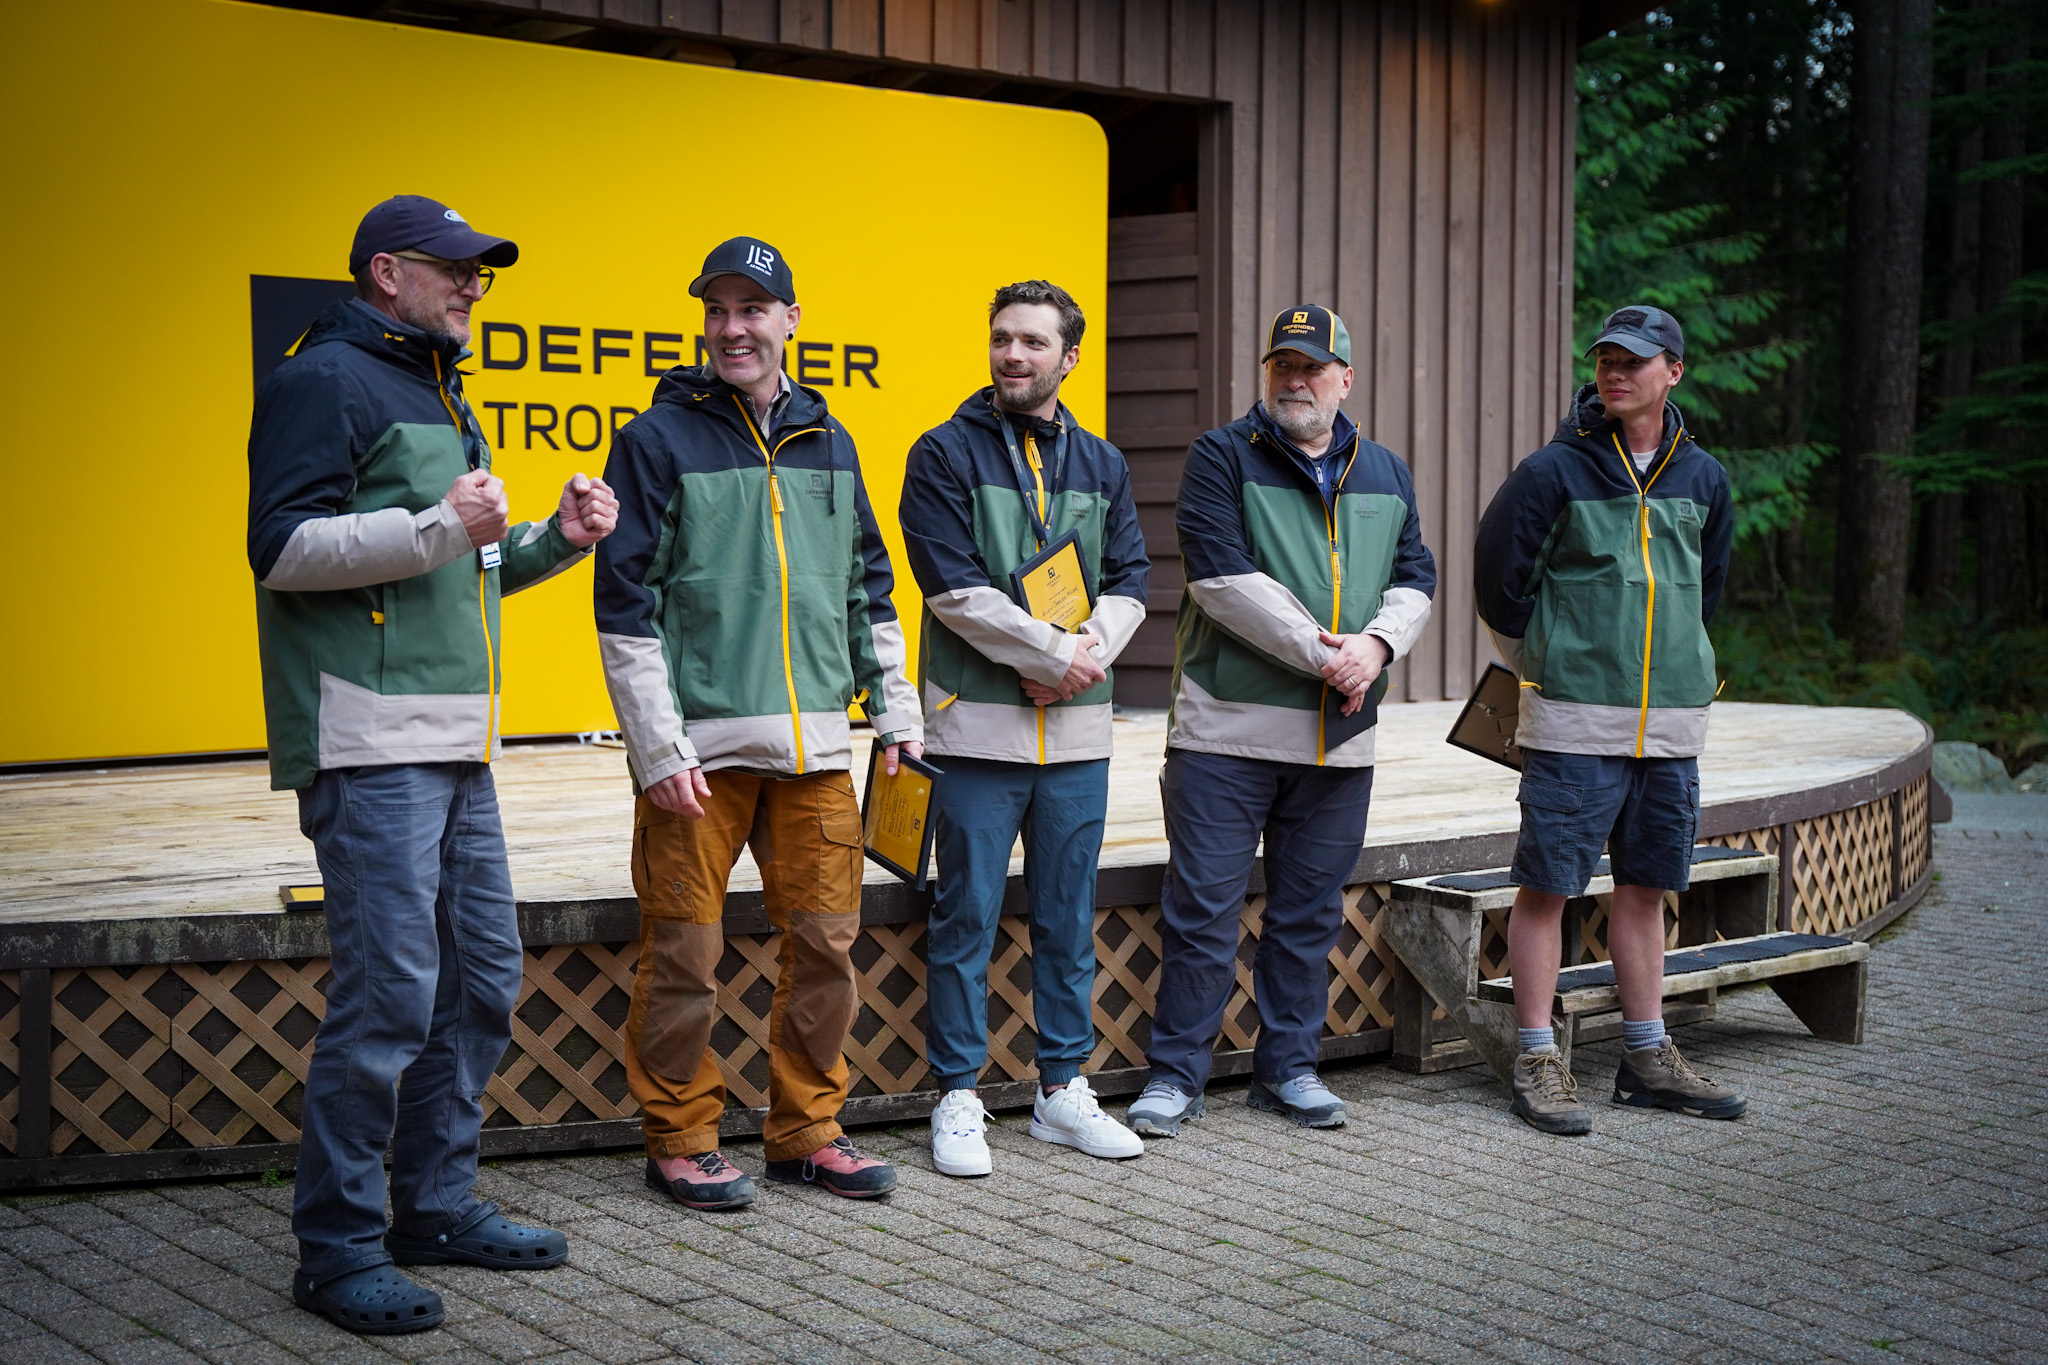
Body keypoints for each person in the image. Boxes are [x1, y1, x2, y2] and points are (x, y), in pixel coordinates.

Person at [247, 195, 618, 1335]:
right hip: (366, 741)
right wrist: (437, 525)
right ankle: (338, 1247)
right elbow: (281, 549)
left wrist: (556, 540)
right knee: (391, 995)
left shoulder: (437, 393)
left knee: (478, 980)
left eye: (480, 276)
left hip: (456, 740)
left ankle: (433, 1205)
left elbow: (463, 569)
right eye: (455, 271)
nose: (471, 289)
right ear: (386, 273)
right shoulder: (324, 380)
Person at [595, 237, 922, 1208]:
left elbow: (870, 587)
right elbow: (624, 608)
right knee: (684, 954)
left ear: (789, 320)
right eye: (717, 310)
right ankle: (679, 1136)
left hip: (818, 752)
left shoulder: (834, 439)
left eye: (752, 309)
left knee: (826, 946)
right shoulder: (656, 440)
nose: (732, 328)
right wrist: (655, 747)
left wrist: (893, 711)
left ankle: (806, 1131)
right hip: (696, 757)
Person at [1127, 305, 1436, 1138]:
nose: (1294, 381)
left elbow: (1416, 578)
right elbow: (1220, 579)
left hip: (1341, 737)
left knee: (1309, 913)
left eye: (1310, 367)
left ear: (1345, 379)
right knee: (1203, 910)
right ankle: (1174, 1076)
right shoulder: (1220, 457)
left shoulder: (1388, 472)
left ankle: (1290, 1067)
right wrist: (1326, 654)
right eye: (1280, 366)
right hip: (1225, 735)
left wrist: (1373, 646)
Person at [898, 280, 1151, 1177]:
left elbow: (1131, 579)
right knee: (963, 915)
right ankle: (958, 1093)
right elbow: (951, 587)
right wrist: (1054, 657)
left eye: (1034, 342)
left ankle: (1060, 1090)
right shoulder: (941, 454)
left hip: (1077, 741)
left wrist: (1082, 655)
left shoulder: (1104, 462)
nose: (1013, 354)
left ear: (1069, 357)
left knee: (1067, 918)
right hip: (976, 738)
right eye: (1003, 337)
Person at [1474, 304, 1743, 1136]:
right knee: (1547, 886)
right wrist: (1551, 661)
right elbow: (1498, 581)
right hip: (1572, 725)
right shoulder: (1554, 471)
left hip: (1670, 730)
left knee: (1645, 888)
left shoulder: (1705, 478)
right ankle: (1535, 1055)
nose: (1614, 372)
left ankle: (1645, 1055)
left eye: (1634, 360)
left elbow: (1709, 591)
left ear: (1675, 372)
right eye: (1604, 359)